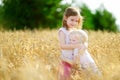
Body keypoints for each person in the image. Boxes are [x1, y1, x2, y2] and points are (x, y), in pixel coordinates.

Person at [58, 7, 84, 80]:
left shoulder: (75, 31)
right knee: (65, 77)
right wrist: (76, 46)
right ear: (66, 18)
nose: (74, 23)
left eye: (76, 21)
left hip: (75, 61)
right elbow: (62, 46)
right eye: (72, 20)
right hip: (66, 60)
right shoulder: (62, 31)